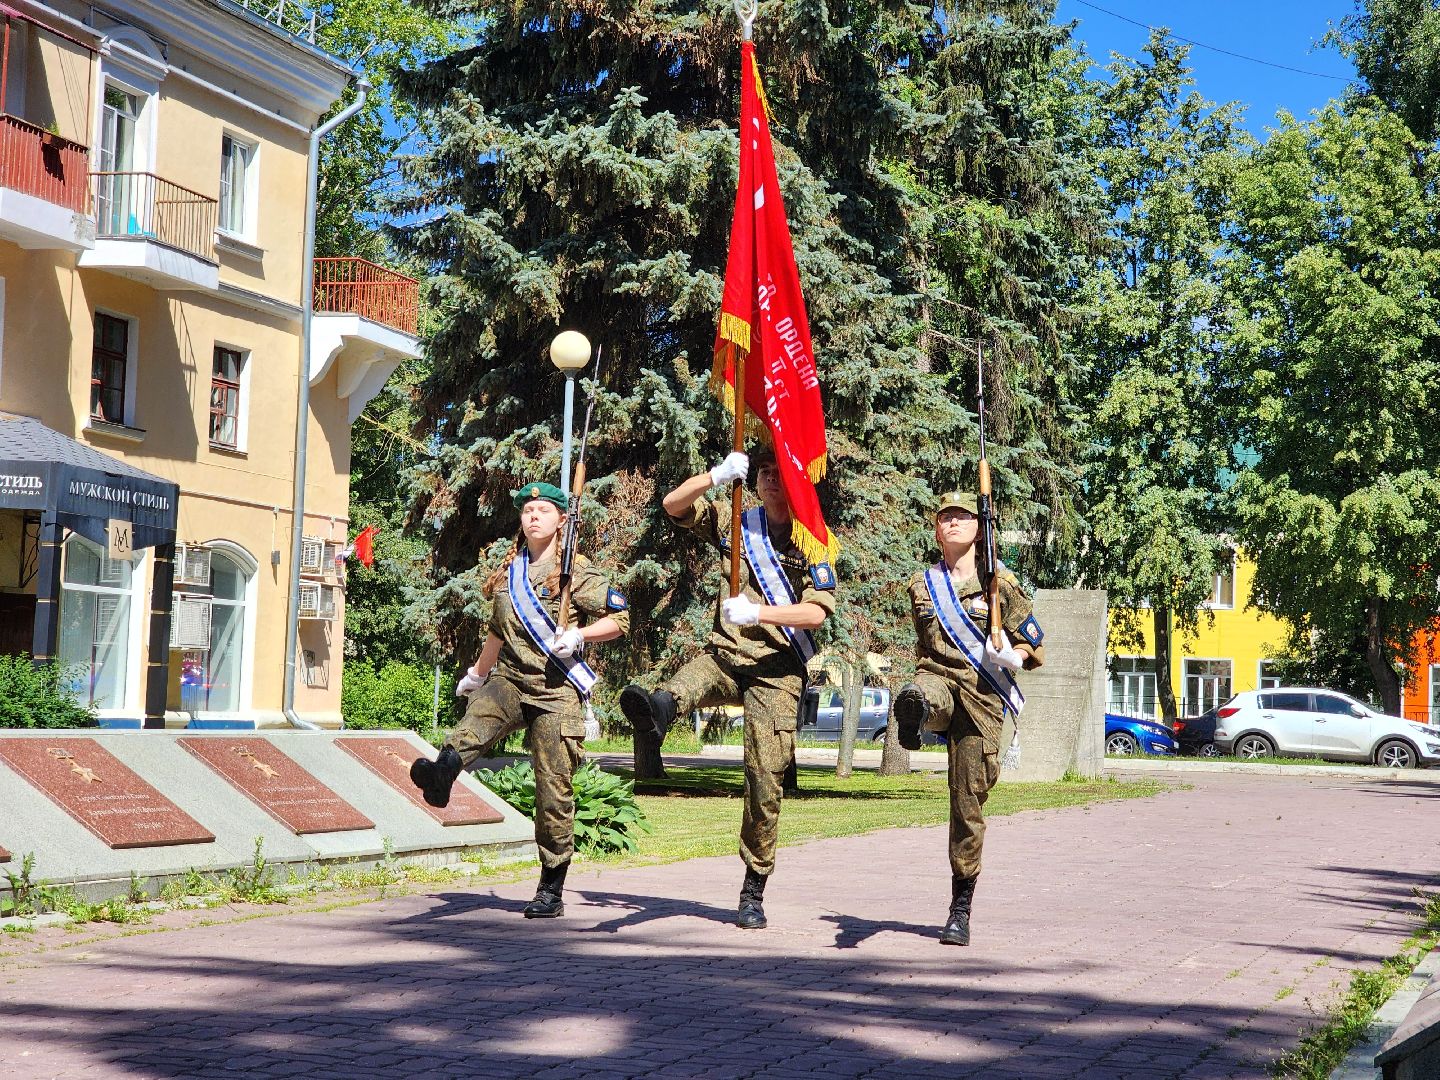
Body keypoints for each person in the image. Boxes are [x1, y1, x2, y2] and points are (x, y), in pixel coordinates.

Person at [619, 449, 835, 929]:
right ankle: (656, 713)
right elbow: (673, 506)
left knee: (763, 781)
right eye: (763, 472)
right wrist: (714, 476)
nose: (770, 480)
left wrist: (760, 613)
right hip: (726, 654)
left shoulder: (813, 538)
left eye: (779, 473)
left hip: (777, 670)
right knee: (685, 683)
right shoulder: (737, 522)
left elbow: (817, 613)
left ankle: (753, 886)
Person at [410, 481, 629, 919]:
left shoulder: (576, 573)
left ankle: (551, 887)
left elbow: (620, 620)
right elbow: (497, 632)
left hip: (556, 686)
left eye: (543, 509)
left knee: (553, 788)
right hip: (510, 677)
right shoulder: (510, 571)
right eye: (527, 510)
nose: (533, 516)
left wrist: (579, 634)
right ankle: (441, 776)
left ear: (562, 519)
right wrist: (476, 674)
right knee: (478, 718)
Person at [894, 491, 1044, 946]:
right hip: (938, 676)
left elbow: (1033, 639)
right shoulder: (923, 585)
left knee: (967, 803)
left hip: (983, 694)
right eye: (945, 517)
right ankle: (915, 713)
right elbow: (925, 645)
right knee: (926, 693)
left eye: (963, 516)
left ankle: (960, 906)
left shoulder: (1000, 583)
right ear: (936, 529)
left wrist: (1013, 656)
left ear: (980, 527)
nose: (953, 523)